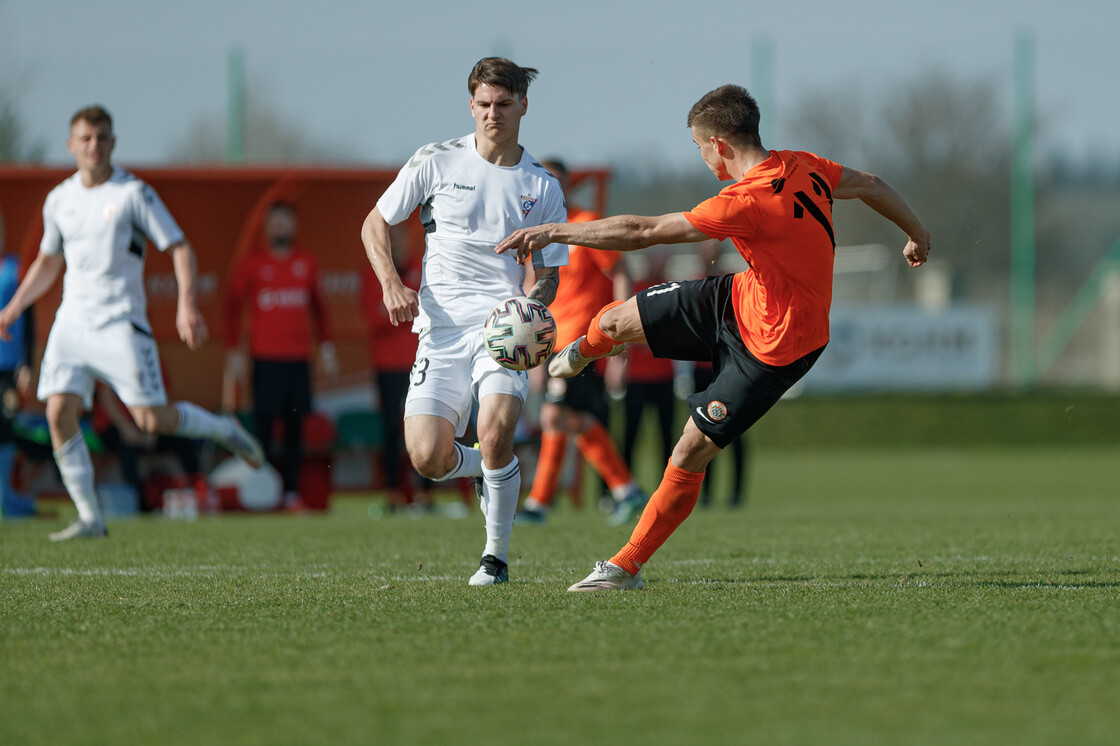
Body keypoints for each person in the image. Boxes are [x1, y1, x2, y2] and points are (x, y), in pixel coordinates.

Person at [497, 84, 931, 590]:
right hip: (739, 299)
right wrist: (917, 232)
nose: (703, 158)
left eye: (699, 147)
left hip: (778, 348)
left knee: (687, 452)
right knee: (614, 321)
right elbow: (871, 183)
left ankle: (624, 567)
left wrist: (554, 231)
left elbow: (642, 231)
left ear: (719, 144)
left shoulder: (746, 202)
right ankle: (584, 351)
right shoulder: (806, 164)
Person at [0, 105, 265, 541]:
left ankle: (224, 429)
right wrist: (15, 305)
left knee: (150, 420)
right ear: (71, 146)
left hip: (121, 324)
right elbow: (49, 261)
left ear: (113, 142)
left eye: (102, 137)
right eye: (85, 138)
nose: (94, 146)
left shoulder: (132, 194)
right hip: (73, 323)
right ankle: (90, 517)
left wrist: (185, 304)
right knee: (57, 413)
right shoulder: (59, 201)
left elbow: (179, 248)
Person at [360, 58, 568, 585]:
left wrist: (532, 310)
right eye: (483, 104)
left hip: (502, 330)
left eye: (503, 104)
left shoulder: (541, 187)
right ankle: (487, 472)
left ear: (523, 105)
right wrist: (390, 281)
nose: (492, 114)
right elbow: (375, 223)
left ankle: (494, 558)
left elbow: (548, 275)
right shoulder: (435, 161)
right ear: (470, 105)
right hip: (440, 330)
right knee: (427, 456)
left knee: (496, 430)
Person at [516, 159, 645, 526]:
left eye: (557, 183)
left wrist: (622, 332)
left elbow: (620, 272)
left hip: (584, 343)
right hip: (552, 343)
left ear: (568, 187)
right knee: (570, 418)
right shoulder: (535, 234)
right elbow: (533, 293)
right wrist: (535, 354)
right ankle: (625, 490)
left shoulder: (586, 224)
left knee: (555, 415)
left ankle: (540, 503)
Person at [224, 200, 338, 510]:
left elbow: (320, 310)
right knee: (262, 428)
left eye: (284, 222)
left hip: (298, 360)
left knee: (294, 429)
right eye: (274, 222)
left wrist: (327, 348)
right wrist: (234, 350)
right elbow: (232, 307)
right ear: (266, 228)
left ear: (293, 226)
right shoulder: (252, 263)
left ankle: (290, 493)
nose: (279, 227)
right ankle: (263, 490)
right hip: (264, 359)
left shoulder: (307, 261)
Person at [360, 227, 434, 512]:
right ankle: (393, 492)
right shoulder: (372, 275)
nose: (397, 245)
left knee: (426, 425)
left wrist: (397, 306)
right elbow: (375, 318)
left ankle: (425, 494)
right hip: (387, 364)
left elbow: (427, 311)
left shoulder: (421, 267)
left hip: (421, 359)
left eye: (401, 238)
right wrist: (402, 306)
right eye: (390, 240)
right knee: (392, 429)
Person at [691, 239, 749, 508]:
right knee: (704, 431)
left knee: (736, 430)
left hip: (729, 367)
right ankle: (705, 494)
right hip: (702, 368)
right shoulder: (694, 284)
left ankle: (737, 493)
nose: (708, 255)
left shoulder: (731, 282)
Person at [620, 251, 676, 484]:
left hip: (664, 376)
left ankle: (667, 486)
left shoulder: (673, 289)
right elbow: (630, 333)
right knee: (630, 435)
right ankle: (621, 486)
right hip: (637, 376)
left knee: (667, 437)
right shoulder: (638, 290)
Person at [0, 210, 36, 518]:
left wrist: (28, 362)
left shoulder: (15, 269)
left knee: (7, 429)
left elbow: (31, 317)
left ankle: (5, 497)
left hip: (9, 367)